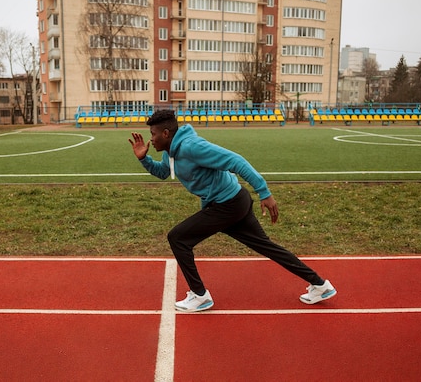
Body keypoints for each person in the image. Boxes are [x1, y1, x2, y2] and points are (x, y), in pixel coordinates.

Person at [129, 109, 336, 312]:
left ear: (166, 134)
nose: (151, 140)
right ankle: (320, 285)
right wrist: (143, 159)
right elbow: (163, 172)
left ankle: (200, 296)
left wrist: (264, 192)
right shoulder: (170, 153)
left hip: (229, 204)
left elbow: (235, 160)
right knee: (266, 246)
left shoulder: (192, 147)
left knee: (178, 238)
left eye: (153, 135)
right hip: (232, 202)